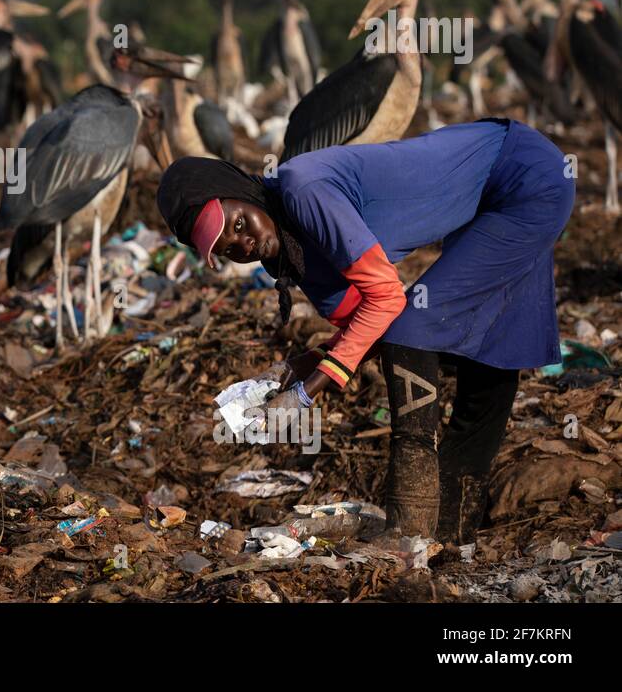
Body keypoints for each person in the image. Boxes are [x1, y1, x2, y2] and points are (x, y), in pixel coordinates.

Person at [156, 119, 574, 542]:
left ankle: (410, 525)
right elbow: (369, 324)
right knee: (491, 349)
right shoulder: (293, 254)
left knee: (415, 326)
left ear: (245, 194)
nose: (242, 244)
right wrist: (306, 363)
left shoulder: (303, 190)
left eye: (240, 224)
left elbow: (388, 304)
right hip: (495, 193)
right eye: (227, 249)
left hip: (524, 176)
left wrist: (303, 395)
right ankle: (452, 529)